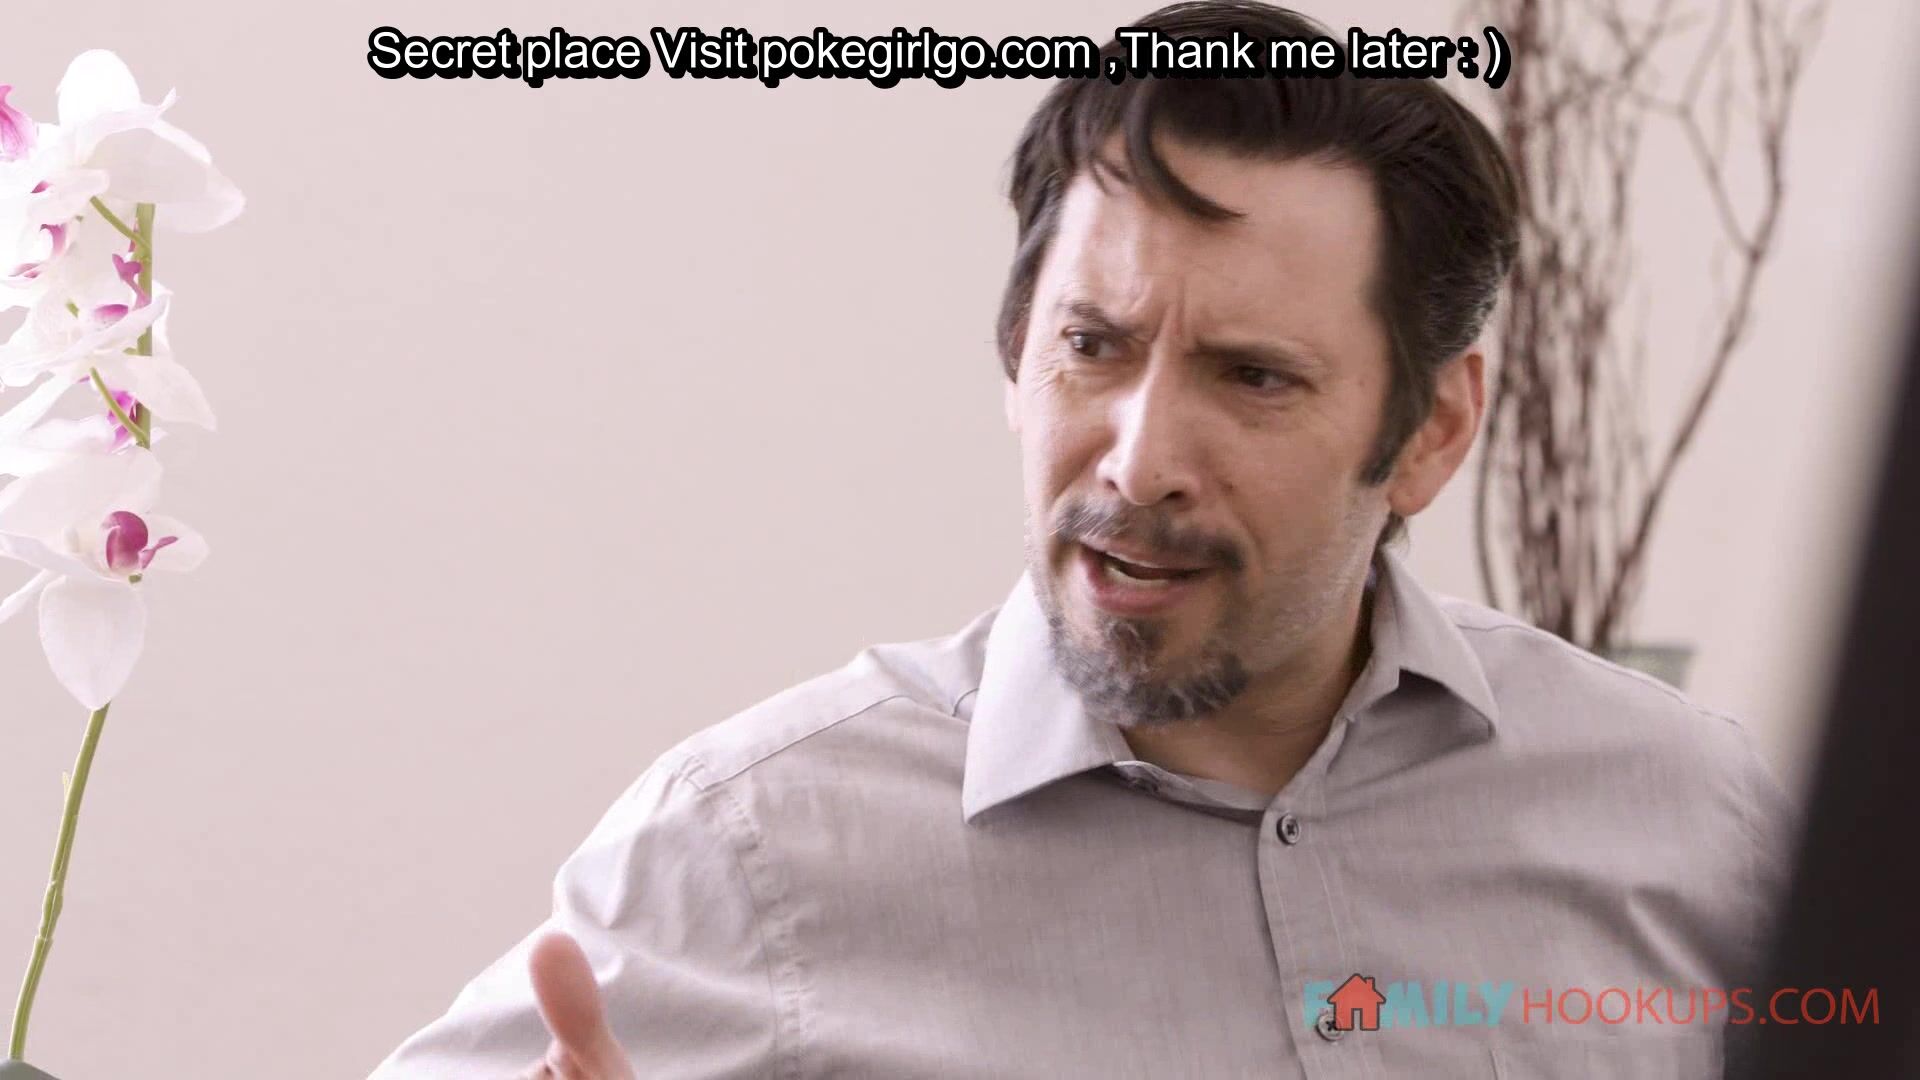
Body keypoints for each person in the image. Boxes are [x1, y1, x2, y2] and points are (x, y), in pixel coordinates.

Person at [369, 2, 1797, 1076]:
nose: (1138, 461)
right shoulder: (750, 854)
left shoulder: (1691, 820)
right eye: (1093, 347)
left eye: (1254, 375)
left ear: (1431, 427)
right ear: (1014, 356)